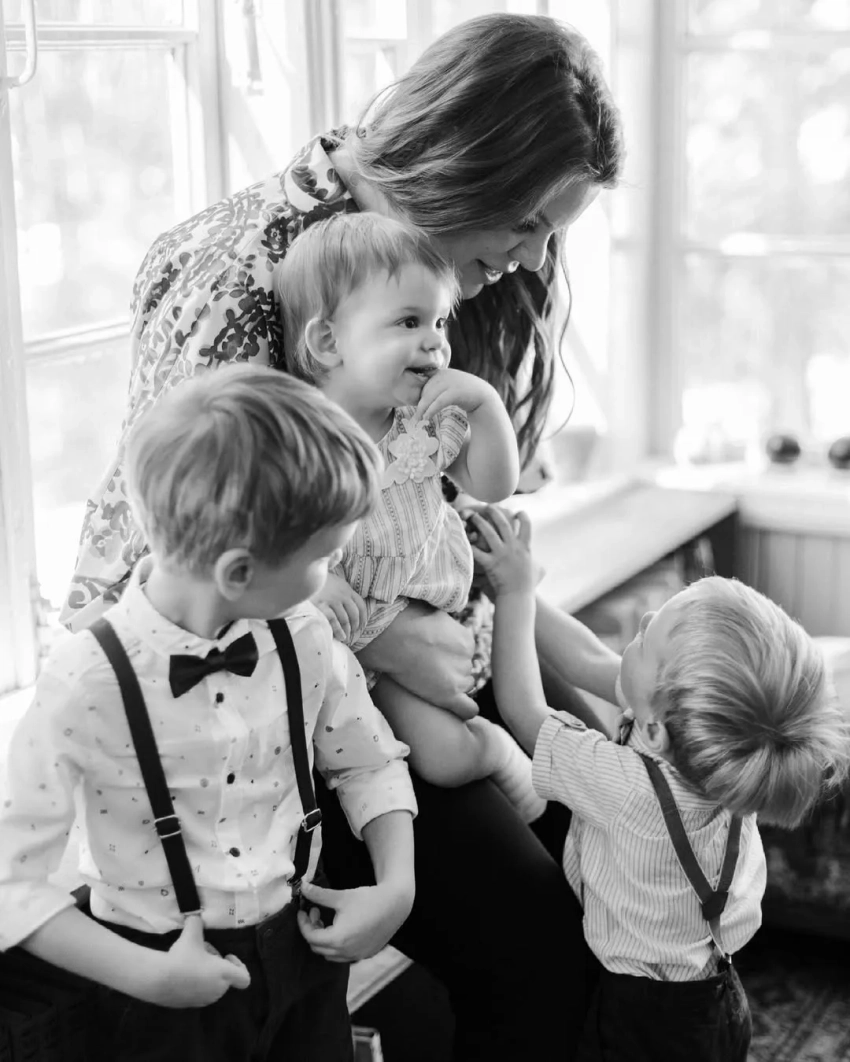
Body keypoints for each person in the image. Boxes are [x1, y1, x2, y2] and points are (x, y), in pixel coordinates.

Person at [60, 13, 625, 1060]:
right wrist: (382, 641)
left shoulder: (421, 280)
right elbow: (190, 550)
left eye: (555, 233)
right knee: (541, 949)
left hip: (396, 645)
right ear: (464, 158)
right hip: (243, 692)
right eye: (528, 222)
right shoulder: (244, 272)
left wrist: (563, 644)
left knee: (611, 852)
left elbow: (434, 518)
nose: (534, 259)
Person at [0, 367, 417, 1062]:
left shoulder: (305, 636)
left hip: (303, 956)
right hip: (156, 987)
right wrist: (150, 977)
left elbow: (369, 761)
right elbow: (10, 881)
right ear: (238, 573)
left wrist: (396, 887)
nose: (334, 569)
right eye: (325, 556)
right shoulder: (85, 682)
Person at [469, 505, 850, 1062]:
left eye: (647, 638)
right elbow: (586, 657)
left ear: (653, 728)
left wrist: (514, 593)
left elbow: (521, 708)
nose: (643, 620)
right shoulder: (720, 755)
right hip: (716, 1000)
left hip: (642, 1017)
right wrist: (516, 583)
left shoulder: (625, 788)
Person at [276, 212, 545, 822]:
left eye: (439, 321)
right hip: (346, 641)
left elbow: (494, 484)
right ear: (327, 342)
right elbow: (272, 530)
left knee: (446, 756)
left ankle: (499, 755)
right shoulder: (298, 437)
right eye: (408, 322)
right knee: (356, 769)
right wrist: (316, 581)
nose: (435, 342)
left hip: (416, 616)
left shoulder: (422, 422)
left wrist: (487, 405)